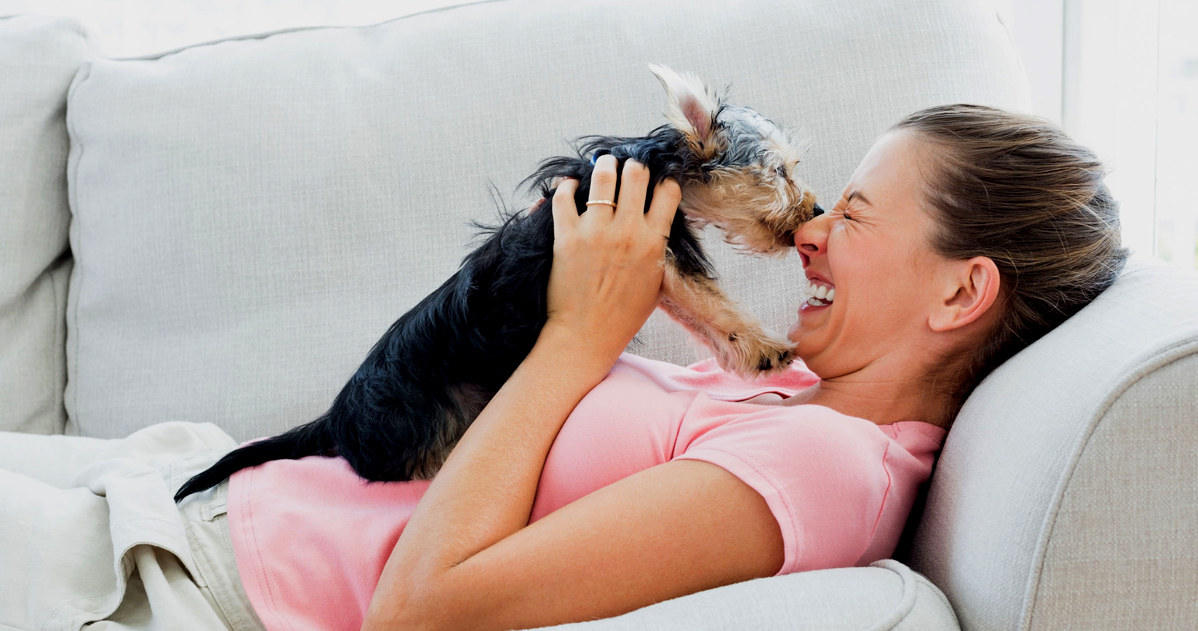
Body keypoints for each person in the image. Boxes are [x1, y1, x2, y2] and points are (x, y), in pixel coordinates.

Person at [0, 104, 1127, 631]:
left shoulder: (828, 468)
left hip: (187, 585)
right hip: (180, 491)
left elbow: (423, 611)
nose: (813, 233)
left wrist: (582, 339)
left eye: (858, 216)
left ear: (961, 291)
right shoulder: (795, 390)